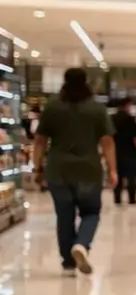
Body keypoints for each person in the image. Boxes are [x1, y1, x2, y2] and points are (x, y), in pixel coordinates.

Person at [32, 68, 116, 275]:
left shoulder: (53, 106)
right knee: (91, 213)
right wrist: (113, 169)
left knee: (64, 216)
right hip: (88, 169)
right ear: (86, 81)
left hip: (58, 169)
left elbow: (40, 140)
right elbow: (107, 142)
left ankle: (68, 263)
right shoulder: (96, 108)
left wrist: (37, 167)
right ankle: (82, 244)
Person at [111, 97, 136, 205]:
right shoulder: (130, 119)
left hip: (115, 151)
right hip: (129, 151)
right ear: (126, 106)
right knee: (131, 176)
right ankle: (132, 198)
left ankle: (117, 198)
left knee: (118, 176)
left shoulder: (112, 119)